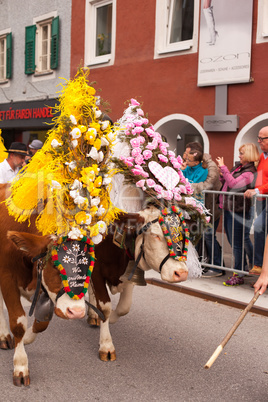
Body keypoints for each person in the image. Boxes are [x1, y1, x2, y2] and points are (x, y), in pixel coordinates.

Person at [216, 143, 259, 286]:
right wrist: (223, 176)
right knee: (236, 241)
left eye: (241, 153)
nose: (239, 156)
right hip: (230, 208)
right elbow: (228, 184)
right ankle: (248, 267)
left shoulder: (250, 172)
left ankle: (239, 273)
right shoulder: (239, 168)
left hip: (239, 211)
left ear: (248, 155)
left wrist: (224, 168)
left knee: (237, 243)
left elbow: (234, 185)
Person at [183, 142, 224, 277]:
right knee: (202, 237)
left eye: (188, 157)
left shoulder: (209, 167)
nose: (185, 159)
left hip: (211, 208)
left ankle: (217, 266)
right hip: (202, 208)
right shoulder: (192, 166)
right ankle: (207, 264)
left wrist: (188, 185)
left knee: (208, 236)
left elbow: (208, 184)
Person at [244, 126, 268, 276]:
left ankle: (259, 264)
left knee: (259, 226)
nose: (258, 141)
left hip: (264, 195)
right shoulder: (261, 156)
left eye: (262, 138)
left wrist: (258, 190)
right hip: (262, 199)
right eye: (258, 138)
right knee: (262, 230)